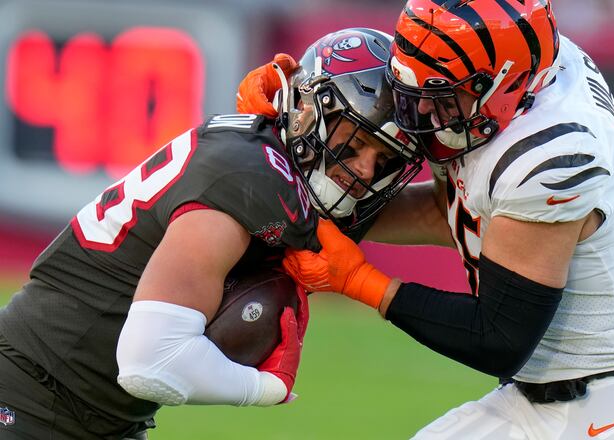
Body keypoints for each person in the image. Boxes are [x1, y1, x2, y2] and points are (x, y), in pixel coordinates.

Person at [278, 1, 614, 439]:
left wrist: (359, 280)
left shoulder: (553, 148)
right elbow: (452, 211)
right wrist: (286, 185)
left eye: (445, 95)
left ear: (503, 82)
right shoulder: (522, 77)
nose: (423, 112)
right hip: (540, 398)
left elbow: (498, 338)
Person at [0, 27, 420, 440]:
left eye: (384, 158)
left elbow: (444, 213)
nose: (365, 169)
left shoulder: (288, 175)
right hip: (32, 395)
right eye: (356, 141)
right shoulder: (250, 178)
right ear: (311, 109)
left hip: (96, 414)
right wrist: (266, 389)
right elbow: (149, 363)